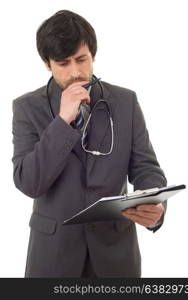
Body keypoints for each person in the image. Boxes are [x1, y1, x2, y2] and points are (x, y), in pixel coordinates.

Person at [11, 10, 167, 278]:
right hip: (52, 256)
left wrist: (154, 203)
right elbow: (29, 182)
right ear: (47, 64)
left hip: (115, 254)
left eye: (82, 60)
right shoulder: (27, 108)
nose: (75, 72)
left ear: (93, 55)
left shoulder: (125, 102)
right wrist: (62, 121)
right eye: (63, 63)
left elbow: (145, 168)